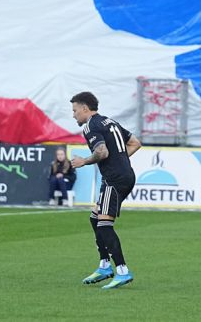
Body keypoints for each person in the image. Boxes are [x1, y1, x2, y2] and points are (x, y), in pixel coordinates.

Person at [70, 91, 141, 289]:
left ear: (85, 108)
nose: (73, 115)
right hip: (123, 175)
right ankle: (104, 266)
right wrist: (120, 161)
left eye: (75, 110)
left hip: (114, 179)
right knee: (95, 217)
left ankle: (122, 271)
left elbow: (101, 152)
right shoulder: (110, 122)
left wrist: (84, 161)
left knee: (104, 224)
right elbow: (135, 143)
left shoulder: (90, 126)